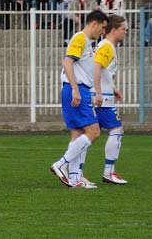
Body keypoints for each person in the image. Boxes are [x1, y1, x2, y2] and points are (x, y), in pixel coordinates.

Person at [50, 10, 108, 189]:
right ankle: (61, 164)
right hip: (76, 90)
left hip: (79, 89)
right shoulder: (80, 38)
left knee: (78, 134)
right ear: (94, 24)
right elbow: (67, 62)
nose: (103, 32)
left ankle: (75, 179)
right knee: (94, 132)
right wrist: (75, 89)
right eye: (103, 27)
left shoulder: (87, 43)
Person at [91, 14, 129, 185]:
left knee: (89, 135)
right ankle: (109, 172)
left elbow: (102, 70)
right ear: (114, 30)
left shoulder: (105, 46)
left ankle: (71, 169)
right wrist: (99, 93)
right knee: (116, 131)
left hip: (104, 95)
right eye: (124, 29)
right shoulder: (107, 47)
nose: (126, 32)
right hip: (103, 100)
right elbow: (96, 67)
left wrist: (113, 88)